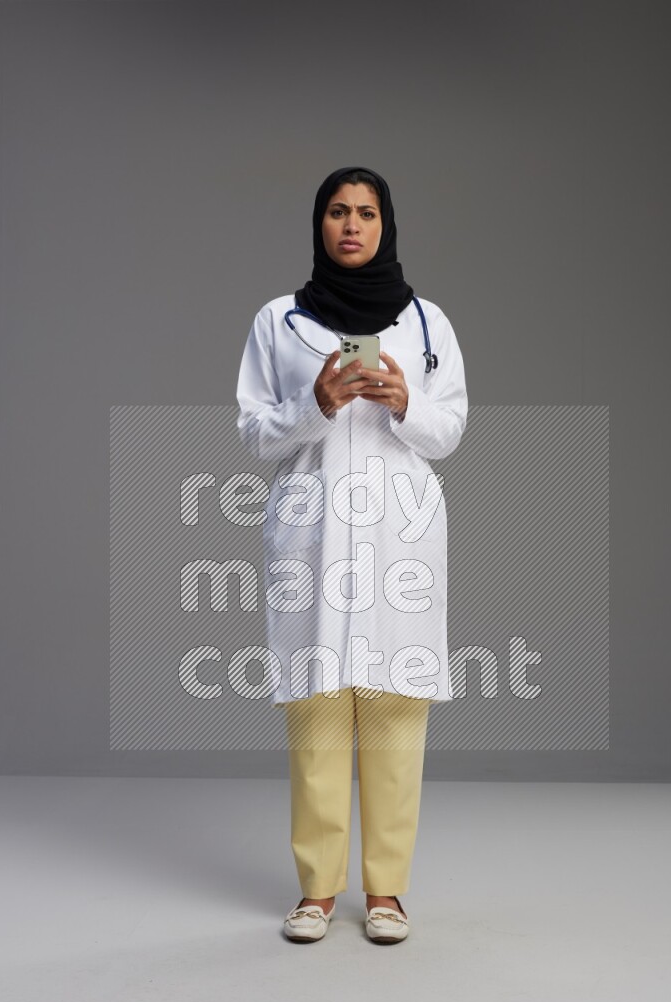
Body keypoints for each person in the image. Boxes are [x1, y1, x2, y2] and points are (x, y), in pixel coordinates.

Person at [235, 166, 468, 944]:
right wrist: (317, 406)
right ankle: (316, 890)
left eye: (366, 212)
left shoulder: (426, 322)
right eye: (338, 211)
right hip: (313, 533)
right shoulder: (280, 320)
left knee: (397, 711)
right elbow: (253, 430)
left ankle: (387, 892)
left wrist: (405, 404)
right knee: (317, 712)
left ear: (386, 223)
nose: (352, 225)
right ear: (320, 223)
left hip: (399, 535)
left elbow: (452, 429)